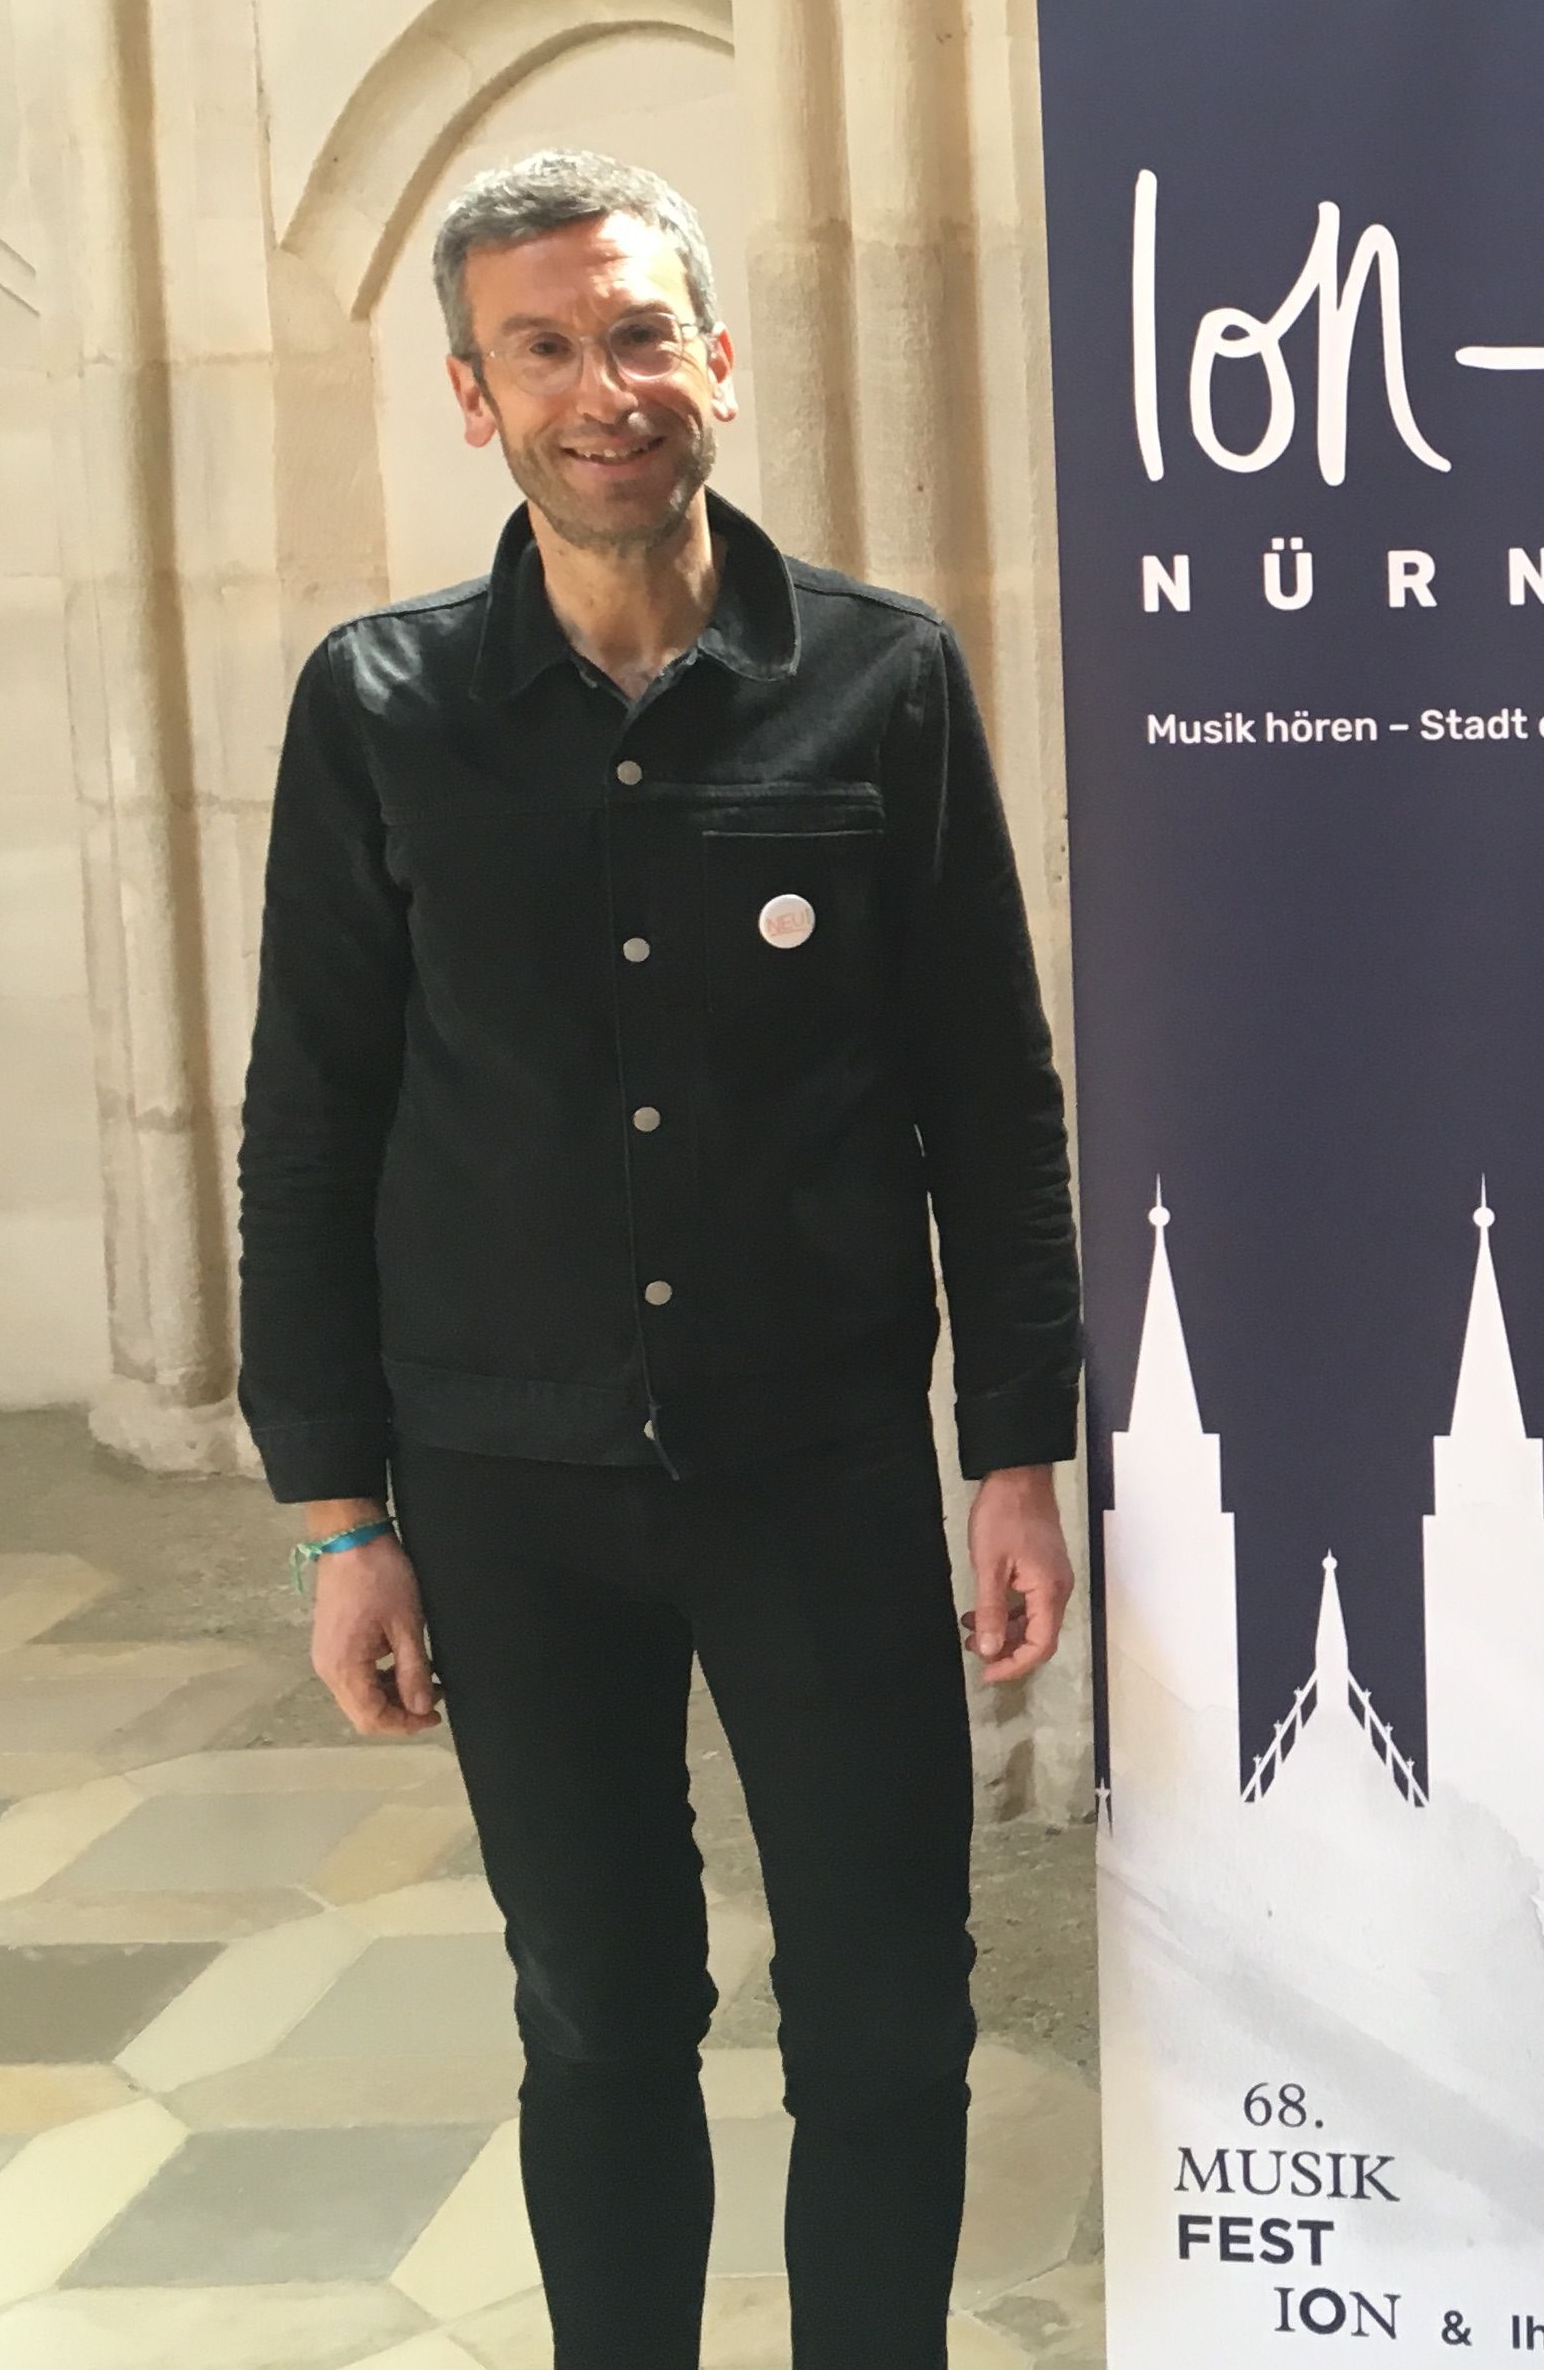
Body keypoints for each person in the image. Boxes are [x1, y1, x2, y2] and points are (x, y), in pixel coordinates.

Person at [236, 150, 1085, 2370]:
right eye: (541, 348)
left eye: (634, 335)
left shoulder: (882, 682)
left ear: (715, 358)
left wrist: (1015, 1456)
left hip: (817, 1469)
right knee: (601, 2013)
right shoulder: (381, 707)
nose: (597, 387)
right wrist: (338, 1519)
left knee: (890, 2016)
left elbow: (989, 1098)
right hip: (504, 1492)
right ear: (473, 395)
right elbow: (310, 1122)